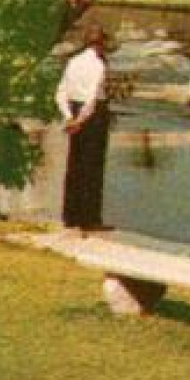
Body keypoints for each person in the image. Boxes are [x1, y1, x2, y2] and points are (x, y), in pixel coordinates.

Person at [55, 26, 112, 231]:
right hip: (92, 115)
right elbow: (92, 97)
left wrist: (69, 117)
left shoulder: (74, 62)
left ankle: (71, 214)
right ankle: (89, 217)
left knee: (75, 164)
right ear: (100, 44)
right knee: (92, 166)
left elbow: (61, 91)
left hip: (73, 108)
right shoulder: (98, 65)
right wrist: (81, 120)